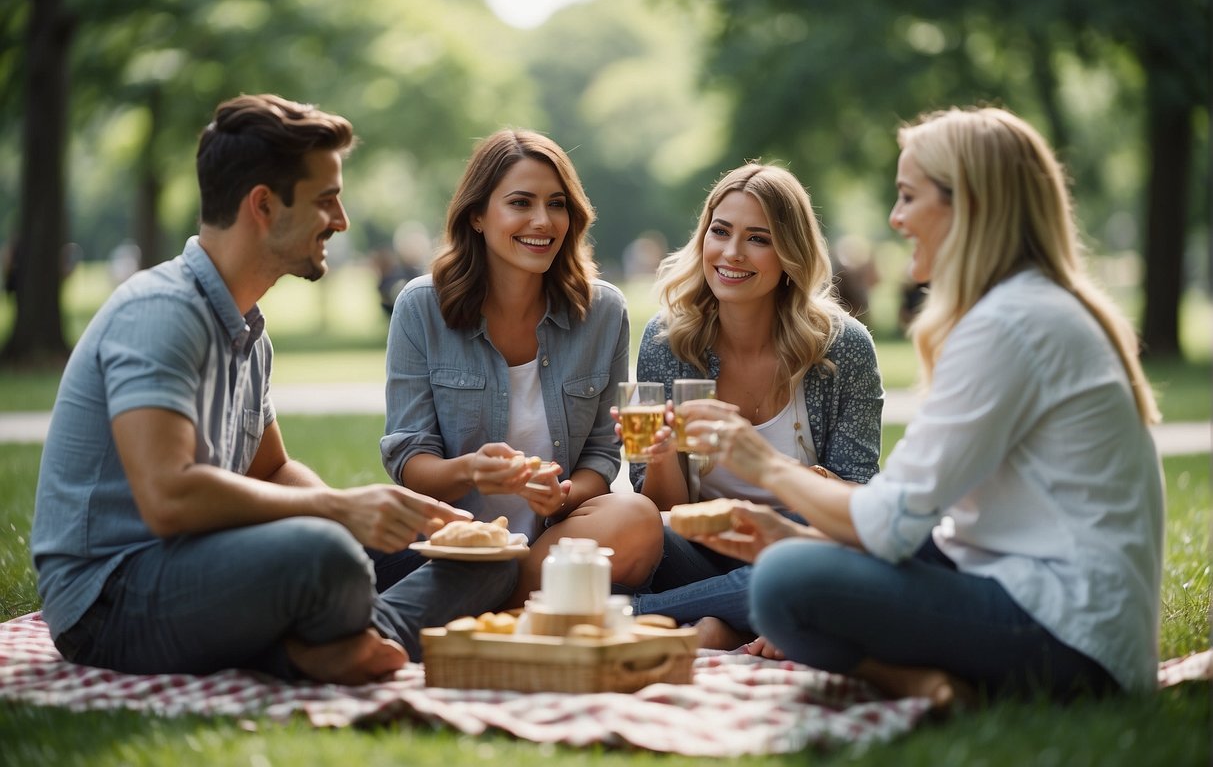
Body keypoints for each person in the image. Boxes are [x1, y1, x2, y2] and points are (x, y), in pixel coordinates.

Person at [680, 107, 1164, 705]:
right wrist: (786, 529)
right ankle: (922, 681)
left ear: (970, 206)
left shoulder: (1010, 326)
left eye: (909, 196)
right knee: (793, 559)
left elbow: (889, 523)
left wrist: (764, 465)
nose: (896, 217)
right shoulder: (1026, 308)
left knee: (785, 582)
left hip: (1071, 633)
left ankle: (901, 674)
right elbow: (917, 513)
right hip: (1037, 594)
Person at [29, 94, 516, 685]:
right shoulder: (160, 312)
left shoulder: (247, 331)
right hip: (111, 598)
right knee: (327, 559)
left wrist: (390, 518)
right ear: (263, 205)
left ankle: (334, 643)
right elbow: (169, 497)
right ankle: (323, 641)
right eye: (326, 200)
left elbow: (274, 469)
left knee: (490, 558)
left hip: (216, 565)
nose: (341, 221)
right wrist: (337, 514)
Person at [379, 129, 663, 607]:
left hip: (553, 543)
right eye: (520, 203)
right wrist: (471, 471)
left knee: (636, 517)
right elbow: (409, 458)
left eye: (556, 204)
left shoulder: (604, 312)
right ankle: (505, 604)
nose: (542, 220)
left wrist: (564, 496)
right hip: (454, 541)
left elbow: (601, 455)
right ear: (476, 215)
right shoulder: (421, 306)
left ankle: (482, 608)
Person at [626, 162, 884, 649]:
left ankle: (635, 618)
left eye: (758, 238)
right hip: (699, 550)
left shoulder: (843, 346)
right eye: (719, 231)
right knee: (625, 522)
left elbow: (860, 498)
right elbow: (663, 510)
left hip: (800, 543)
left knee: (829, 565)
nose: (731, 253)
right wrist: (660, 453)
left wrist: (770, 472)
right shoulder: (667, 343)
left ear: (790, 252)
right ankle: (749, 619)